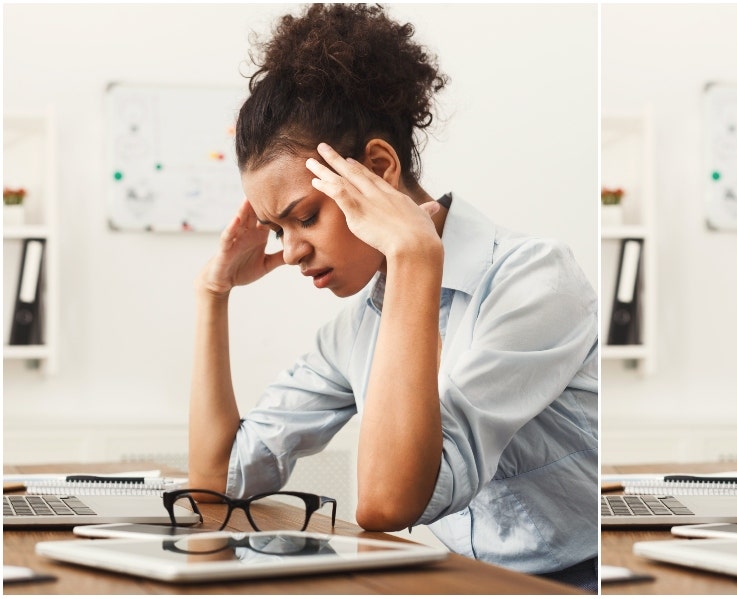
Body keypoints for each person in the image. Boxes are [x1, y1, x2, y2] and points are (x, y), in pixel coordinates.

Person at [186, 4, 598, 590]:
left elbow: (386, 506)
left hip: (582, 577)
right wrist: (213, 291)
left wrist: (411, 253)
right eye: (278, 231)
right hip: (468, 579)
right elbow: (216, 481)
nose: (293, 251)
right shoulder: (356, 327)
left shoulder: (534, 279)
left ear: (378, 168)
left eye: (305, 216)